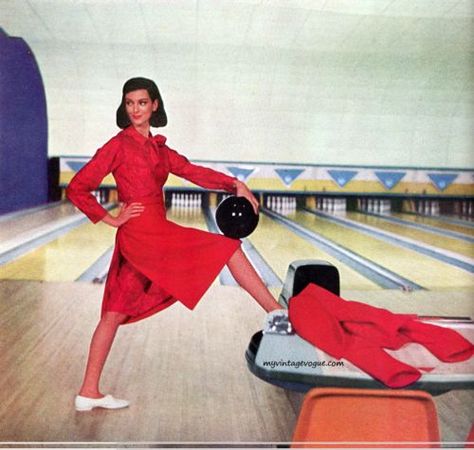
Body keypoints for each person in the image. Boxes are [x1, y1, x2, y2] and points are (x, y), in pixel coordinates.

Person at [66, 77, 283, 412]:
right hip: (141, 235)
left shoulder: (160, 150)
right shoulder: (117, 145)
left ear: (154, 105)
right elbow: (78, 187)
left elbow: (192, 172)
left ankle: (88, 391)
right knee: (228, 248)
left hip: (153, 233)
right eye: (129, 103)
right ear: (124, 107)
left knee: (112, 314)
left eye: (141, 102)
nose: (135, 109)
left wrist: (234, 183)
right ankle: (277, 314)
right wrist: (112, 219)